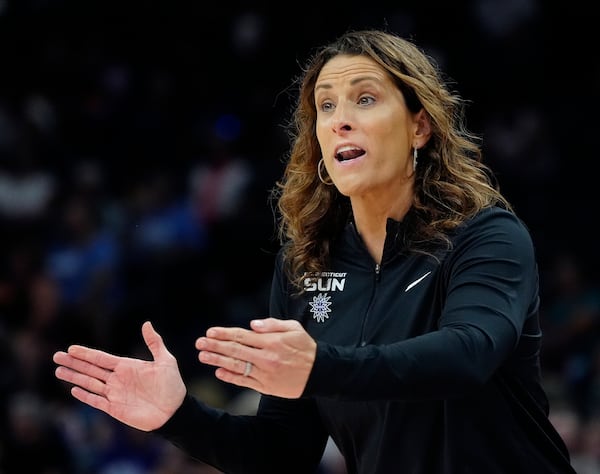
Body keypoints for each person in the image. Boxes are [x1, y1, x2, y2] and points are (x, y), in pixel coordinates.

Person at [52, 29, 577, 473]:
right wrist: (177, 416)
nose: (339, 119)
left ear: (420, 126)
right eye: (325, 105)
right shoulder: (306, 265)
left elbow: (467, 354)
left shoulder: (487, 237)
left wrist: (320, 367)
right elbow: (284, 452)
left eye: (364, 99)